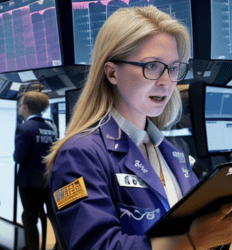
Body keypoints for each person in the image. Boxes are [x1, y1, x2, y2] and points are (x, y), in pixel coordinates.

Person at [46, 5, 232, 250]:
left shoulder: (173, 154)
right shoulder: (81, 154)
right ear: (112, 73)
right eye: (152, 66)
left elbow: (200, 226)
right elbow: (96, 245)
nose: (166, 82)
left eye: (173, 68)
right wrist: (189, 243)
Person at [14, 91, 57, 250]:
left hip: (29, 183)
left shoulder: (24, 128)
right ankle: (59, 246)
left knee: (30, 218)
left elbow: (19, 157)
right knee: (53, 216)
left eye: (20, 105)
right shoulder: (51, 127)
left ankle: (32, 248)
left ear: (25, 107)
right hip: (48, 181)